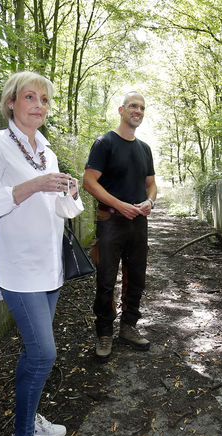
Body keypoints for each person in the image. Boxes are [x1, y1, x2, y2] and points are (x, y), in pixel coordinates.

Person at [0, 71, 83, 436]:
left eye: (45, 100)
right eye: (29, 97)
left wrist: (68, 194)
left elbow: (61, 211)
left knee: (34, 352)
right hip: (18, 270)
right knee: (43, 353)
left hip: (49, 267)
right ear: (11, 103)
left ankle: (30, 414)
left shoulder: (47, 151)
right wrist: (32, 185)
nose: (39, 104)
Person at [83, 91, 157, 361]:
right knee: (105, 278)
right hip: (111, 220)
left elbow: (151, 184)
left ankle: (128, 327)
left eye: (142, 107)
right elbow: (89, 181)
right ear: (121, 110)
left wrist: (149, 201)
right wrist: (119, 205)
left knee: (136, 277)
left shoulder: (144, 148)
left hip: (139, 221)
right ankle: (104, 332)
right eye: (133, 106)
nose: (137, 111)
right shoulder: (105, 142)